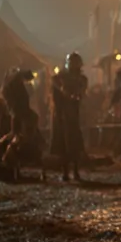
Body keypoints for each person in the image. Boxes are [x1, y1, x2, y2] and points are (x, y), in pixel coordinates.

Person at [51, 53, 88, 182]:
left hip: (74, 116)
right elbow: (56, 86)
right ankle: (65, 172)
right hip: (62, 115)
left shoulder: (81, 79)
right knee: (63, 144)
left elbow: (81, 92)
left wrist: (75, 94)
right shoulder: (60, 78)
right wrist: (63, 89)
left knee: (75, 143)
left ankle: (75, 171)